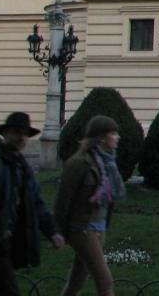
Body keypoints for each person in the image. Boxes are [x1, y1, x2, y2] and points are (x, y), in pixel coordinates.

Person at [0, 112, 64, 296]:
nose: (21, 137)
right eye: (16, 132)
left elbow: (36, 202)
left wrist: (51, 231)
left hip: (8, 241)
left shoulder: (21, 166)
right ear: (6, 134)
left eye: (25, 133)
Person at [54, 115, 125, 296]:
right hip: (82, 228)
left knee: (77, 281)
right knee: (105, 281)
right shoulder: (78, 163)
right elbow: (63, 200)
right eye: (113, 134)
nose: (117, 138)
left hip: (99, 227)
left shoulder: (108, 163)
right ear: (101, 137)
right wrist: (58, 232)